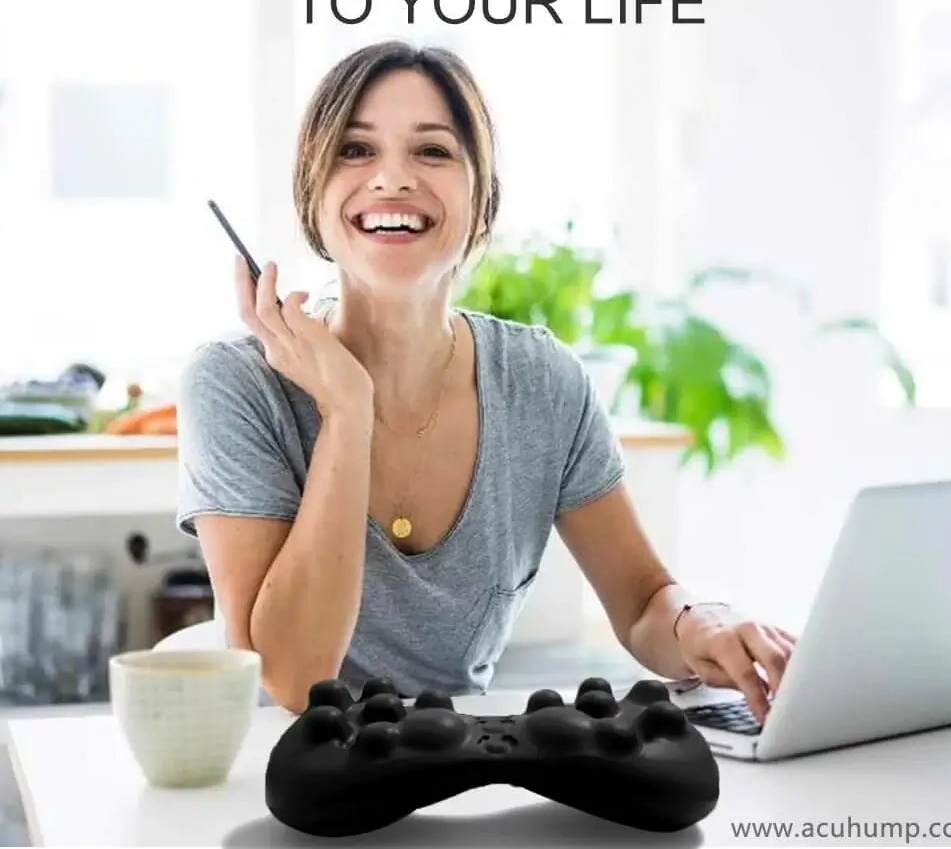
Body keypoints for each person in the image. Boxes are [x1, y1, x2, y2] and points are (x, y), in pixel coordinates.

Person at [175, 39, 796, 721]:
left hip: (457, 771)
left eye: (433, 151)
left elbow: (645, 600)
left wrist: (701, 623)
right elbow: (294, 681)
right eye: (355, 151)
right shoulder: (235, 385)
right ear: (312, 193)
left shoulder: (542, 383)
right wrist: (347, 411)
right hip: (280, 781)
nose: (391, 179)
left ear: (482, 196)